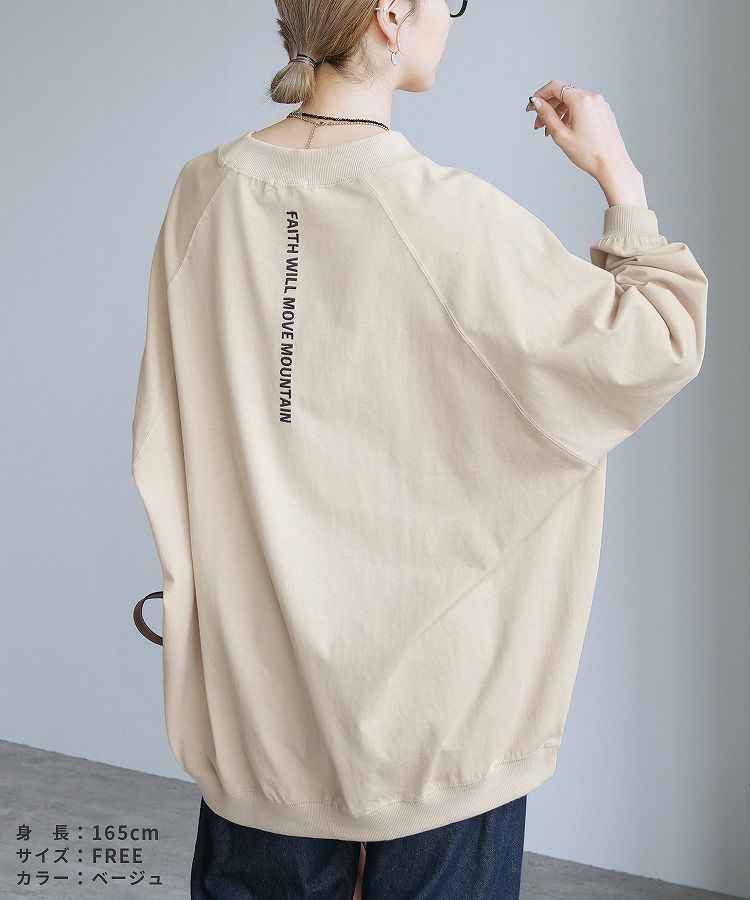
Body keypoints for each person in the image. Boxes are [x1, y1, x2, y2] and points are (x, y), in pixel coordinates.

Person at [130, 0, 709, 897]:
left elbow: (170, 436)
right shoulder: (450, 217)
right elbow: (655, 340)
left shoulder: (201, 194)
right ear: (392, 14)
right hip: (437, 730)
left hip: (256, 717)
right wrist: (618, 175)